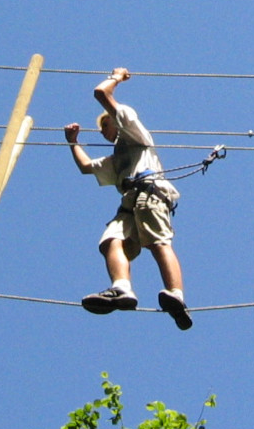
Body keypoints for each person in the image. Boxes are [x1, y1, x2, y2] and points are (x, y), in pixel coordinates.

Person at [64, 67, 192, 330]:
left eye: (105, 124)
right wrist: (73, 142)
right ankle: (122, 288)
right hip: (129, 204)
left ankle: (176, 294)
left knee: (157, 243)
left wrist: (117, 77)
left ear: (115, 120)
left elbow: (101, 93)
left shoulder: (132, 129)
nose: (102, 131)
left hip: (149, 194)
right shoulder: (119, 157)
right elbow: (87, 167)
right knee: (111, 241)